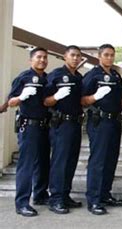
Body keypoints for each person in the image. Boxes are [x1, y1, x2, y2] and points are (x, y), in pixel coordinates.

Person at [81, 44, 122, 215]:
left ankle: (105, 194)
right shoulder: (93, 75)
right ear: (99, 56)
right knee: (98, 161)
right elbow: (83, 100)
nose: (109, 58)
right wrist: (95, 97)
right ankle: (94, 200)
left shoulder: (115, 75)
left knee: (111, 160)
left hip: (115, 121)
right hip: (99, 121)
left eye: (112, 55)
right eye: (106, 55)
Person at [8, 47, 50, 217]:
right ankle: (22, 203)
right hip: (29, 126)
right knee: (27, 165)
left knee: (43, 162)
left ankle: (40, 195)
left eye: (45, 57)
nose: (42, 60)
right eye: (39, 57)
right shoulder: (24, 77)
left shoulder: (47, 79)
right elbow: (10, 102)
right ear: (31, 60)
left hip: (45, 125)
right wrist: (21, 97)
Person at [44, 45, 84, 214]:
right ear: (65, 57)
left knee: (71, 161)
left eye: (78, 56)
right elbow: (45, 100)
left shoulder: (79, 77)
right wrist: (56, 96)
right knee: (60, 161)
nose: (75, 58)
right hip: (61, 123)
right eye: (72, 55)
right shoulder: (56, 75)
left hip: (76, 123)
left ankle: (65, 195)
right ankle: (56, 198)